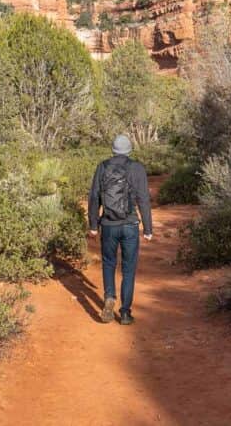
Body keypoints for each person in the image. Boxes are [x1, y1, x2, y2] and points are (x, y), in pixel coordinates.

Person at [88, 134, 152, 325]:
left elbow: (94, 197)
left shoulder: (103, 166)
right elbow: (143, 199)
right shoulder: (137, 168)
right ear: (129, 149)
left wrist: (93, 225)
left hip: (108, 225)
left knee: (108, 263)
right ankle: (125, 312)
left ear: (113, 149)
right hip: (130, 226)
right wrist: (148, 228)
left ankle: (109, 297)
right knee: (128, 269)